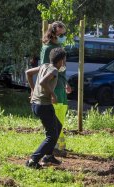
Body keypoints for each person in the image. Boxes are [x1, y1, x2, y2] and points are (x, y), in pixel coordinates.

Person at [25, 47, 66, 169]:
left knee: (57, 126)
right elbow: (43, 82)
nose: (64, 63)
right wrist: (52, 94)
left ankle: (48, 156)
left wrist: (33, 89)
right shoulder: (53, 70)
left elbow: (28, 73)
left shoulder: (44, 65)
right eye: (64, 60)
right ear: (60, 61)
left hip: (36, 104)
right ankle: (33, 160)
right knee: (51, 136)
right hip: (44, 106)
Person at [40, 21, 71, 155]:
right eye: (60, 34)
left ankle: (60, 146)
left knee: (61, 117)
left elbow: (62, 70)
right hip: (54, 88)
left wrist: (66, 83)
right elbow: (44, 69)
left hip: (61, 86)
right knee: (55, 118)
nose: (62, 36)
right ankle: (54, 148)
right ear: (52, 33)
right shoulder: (47, 48)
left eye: (63, 34)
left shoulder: (60, 47)